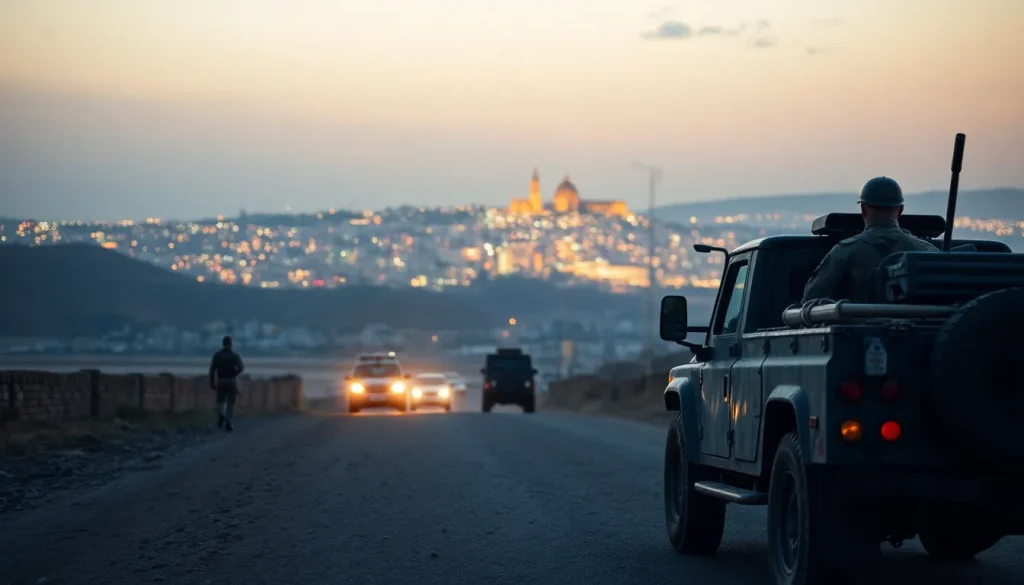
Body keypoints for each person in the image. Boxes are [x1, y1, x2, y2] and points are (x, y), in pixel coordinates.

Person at [802, 176, 939, 303]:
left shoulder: (845, 251)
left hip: (858, 328)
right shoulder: (928, 252)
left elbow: (811, 298)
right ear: (900, 210)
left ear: (863, 209)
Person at [208, 335, 245, 432]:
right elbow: (241, 367)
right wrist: (234, 373)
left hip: (220, 381)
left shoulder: (217, 355)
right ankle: (228, 421)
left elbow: (212, 370)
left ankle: (221, 415)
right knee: (231, 402)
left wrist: (212, 382)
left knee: (220, 400)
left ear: (223, 343)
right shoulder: (235, 355)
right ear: (231, 344)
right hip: (231, 381)